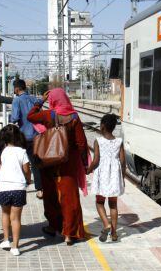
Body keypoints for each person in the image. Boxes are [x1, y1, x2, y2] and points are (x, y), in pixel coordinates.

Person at [27, 88, 89, 245]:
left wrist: (40, 102)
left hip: (48, 161)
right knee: (69, 198)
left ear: (52, 100)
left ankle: (53, 226)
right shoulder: (74, 117)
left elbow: (30, 116)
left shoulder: (49, 114)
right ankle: (69, 233)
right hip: (67, 163)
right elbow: (81, 143)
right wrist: (84, 163)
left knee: (51, 196)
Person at [0, 124, 32, 256]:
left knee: (5, 213)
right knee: (15, 218)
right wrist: (28, 180)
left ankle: (5, 240)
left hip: (3, 187)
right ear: (18, 137)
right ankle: (15, 247)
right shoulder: (22, 152)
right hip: (18, 188)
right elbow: (27, 170)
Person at [86, 113, 125, 242]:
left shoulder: (98, 141)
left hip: (102, 174)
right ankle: (114, 234)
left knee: (99, 202)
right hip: (114, 175)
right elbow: (122, 161)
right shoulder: (119, 141)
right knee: (113, 204)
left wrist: (88, 170)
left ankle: (106, 224)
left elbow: (96, 160)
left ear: (102, 126)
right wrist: (122, 178)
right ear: (113, 127)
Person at [10, 79, 43, 199]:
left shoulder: (17, 100)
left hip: (24, 136)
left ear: (17, 89)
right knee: (36, 162)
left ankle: (22, 184)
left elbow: (14, 118)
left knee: (22, 161)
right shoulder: (34, 99)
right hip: (37, 135)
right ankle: (40, 189)